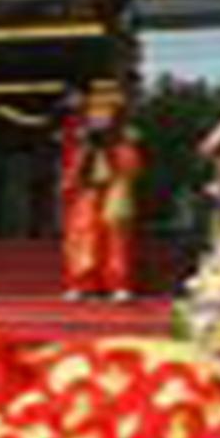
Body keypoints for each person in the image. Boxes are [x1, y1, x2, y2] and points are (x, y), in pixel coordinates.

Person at [61, 81, 143, 302]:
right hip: (87, 190)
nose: (100, 117)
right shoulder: (78, 134)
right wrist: (85, 148)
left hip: (114, 187)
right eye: (95, 111)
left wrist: (116, 146)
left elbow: (132, 165)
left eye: (105, 111)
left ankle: (118, 284)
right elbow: (70, 167)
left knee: (115, 238)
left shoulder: (124, 134)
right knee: (83, 235)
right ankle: (82, 284)